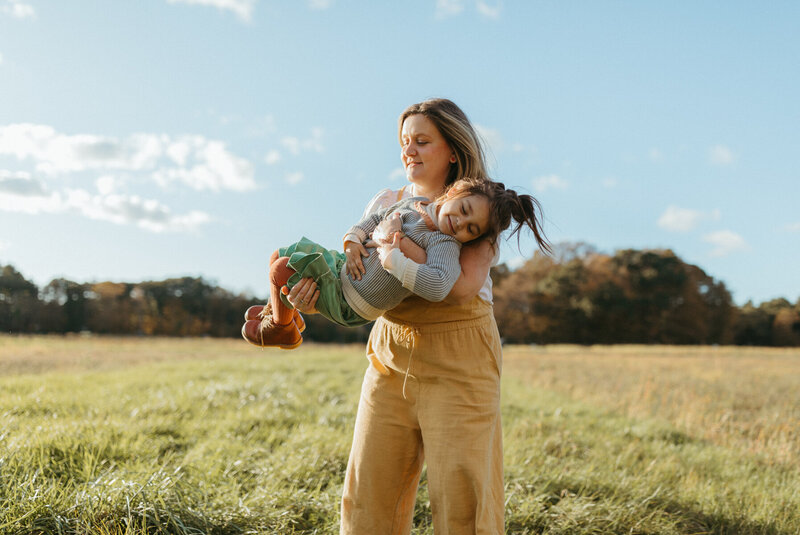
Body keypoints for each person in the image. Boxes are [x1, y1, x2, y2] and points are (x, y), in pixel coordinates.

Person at [281, 98, 549, 533]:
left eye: (422, 141)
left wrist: (397, 247)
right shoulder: (388, 201)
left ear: (453, 151)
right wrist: (317, 298)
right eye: (405, 142)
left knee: (464, 503)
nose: (410, 150)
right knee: (369, 494)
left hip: (460, 357)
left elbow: (458, 290)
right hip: (391, 353)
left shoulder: (474, 210)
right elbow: (359, 284)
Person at [241, 177, 544, 350]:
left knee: (281, 269)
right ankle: (281, 314)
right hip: (342, 270)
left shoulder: (444, 244)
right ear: (452, 192)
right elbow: (373, 220)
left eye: (471, 229)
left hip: (353, 300)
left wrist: (392, 257)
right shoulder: (414, 204)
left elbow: (439, 285)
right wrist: (352, 240)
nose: (460, 223)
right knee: (280, 252)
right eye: (464, 209)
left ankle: (283, 330)